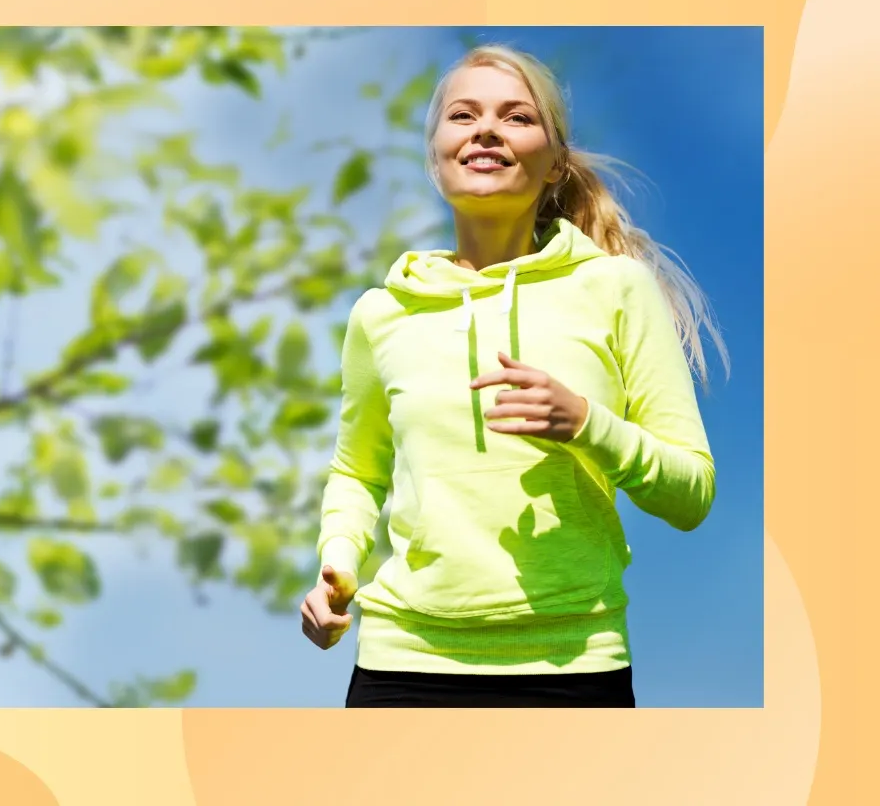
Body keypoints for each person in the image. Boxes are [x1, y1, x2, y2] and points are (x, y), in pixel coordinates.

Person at [300, 44, 729, 709]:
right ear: (436, 156)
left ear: (555, 160)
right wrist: (338, 564)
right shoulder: (381, 313)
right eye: (462, 115)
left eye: (516, 116)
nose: (486, 129)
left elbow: (692, 491)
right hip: (402, 665)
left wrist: (588, 424)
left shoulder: (617, 289)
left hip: (575, 665)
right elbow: (358, 471)